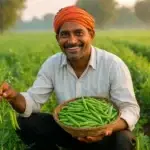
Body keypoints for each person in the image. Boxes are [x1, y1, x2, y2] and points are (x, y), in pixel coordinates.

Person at [0, 5, 140, 150]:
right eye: (65, 34)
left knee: (125, 139)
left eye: (79, 33)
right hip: (68, 132)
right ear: (57, 38)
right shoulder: (52, 64)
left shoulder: (113, 64)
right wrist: (13, 96)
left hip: (104, 136)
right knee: (26, 122)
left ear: (91, 35)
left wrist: (105, 129)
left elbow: (130, 109)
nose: (72, 40)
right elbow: (33, 101)